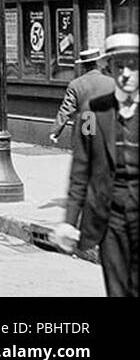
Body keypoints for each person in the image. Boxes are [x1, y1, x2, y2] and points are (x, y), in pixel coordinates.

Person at [53, 32, 139, 297]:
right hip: (110, 217)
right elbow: (81, 168)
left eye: (133, 65)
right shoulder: (90, 112)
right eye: (119, 66)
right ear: (108, 68)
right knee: (117, 291)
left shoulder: (79, 85)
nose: (125, 74)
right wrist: (70, 221)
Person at [50, 48, 114, 144]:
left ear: (83, 66)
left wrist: (55, 131)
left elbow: (66, 110)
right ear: (98, 64)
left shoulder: (75, 84)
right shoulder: (111, 83)